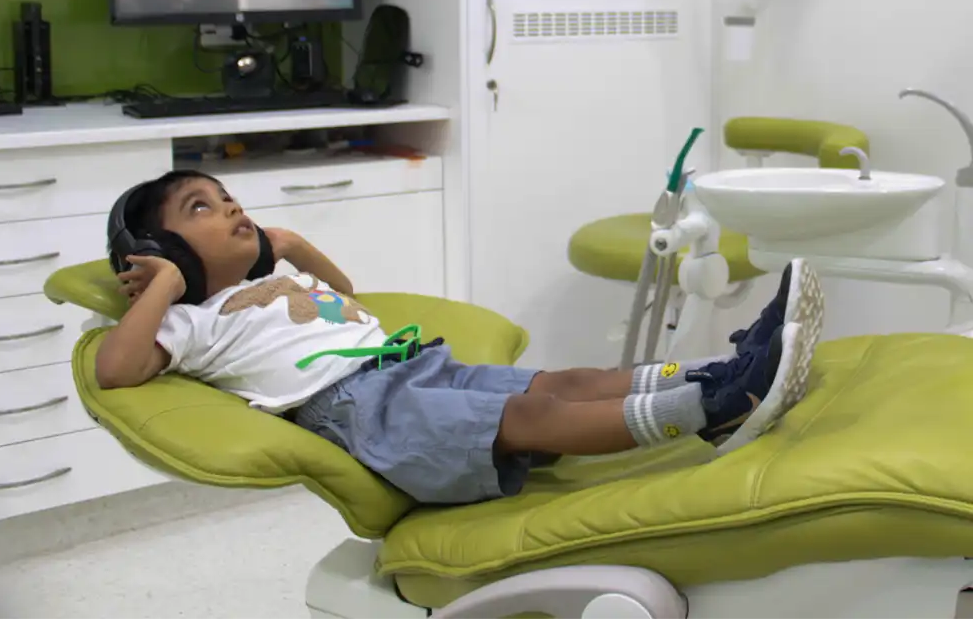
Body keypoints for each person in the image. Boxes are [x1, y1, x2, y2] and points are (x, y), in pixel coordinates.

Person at [96, 170, 823, 505]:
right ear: (164, 248)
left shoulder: (278, 278)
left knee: (564, 381)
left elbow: (348, 299)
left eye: (229, 197)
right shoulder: (190, 319)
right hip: (363, 410)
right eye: (202, 208)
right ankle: (713, 408)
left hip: (410, 368)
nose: (232, 208)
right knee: (536, 414)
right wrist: (165, 282)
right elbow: (115, 370)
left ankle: (721, 370)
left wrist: (292, 246)